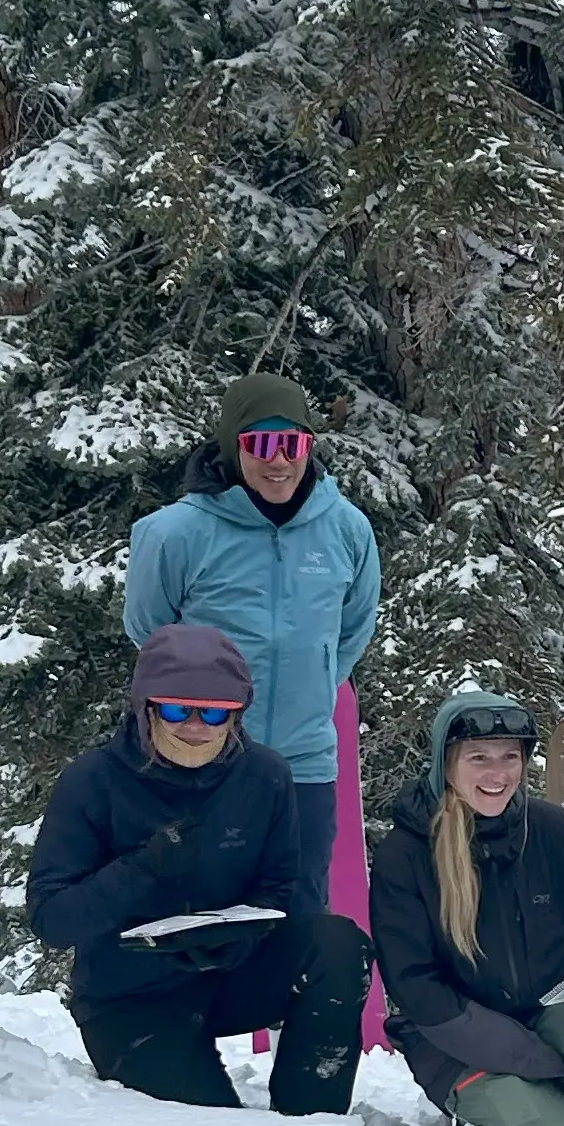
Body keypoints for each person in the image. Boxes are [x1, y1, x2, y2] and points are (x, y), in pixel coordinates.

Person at [25, 623, 368, 1115]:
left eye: (213, 713)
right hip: (130, 996)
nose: (194, 725)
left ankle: (311, 1122)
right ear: (145, 708)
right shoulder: (92, 782)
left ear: (236, 715)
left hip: (231, 974)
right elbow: (51, 919)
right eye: (175, 709)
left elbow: (278, 888)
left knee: (337, 945)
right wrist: (143, 868)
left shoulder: (265, 775)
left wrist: (235, 940)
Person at [122, 373, 379, 918]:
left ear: (310, 447)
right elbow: (150, 633)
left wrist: (315, 682)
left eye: (292, 443)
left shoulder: (348, 530)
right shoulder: (174, 533)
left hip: (304, 761)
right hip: (202, 753)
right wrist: (201, 707)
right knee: (198, 905)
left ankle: (290, 1004)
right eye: (259, 444)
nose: (278, 460)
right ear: (231, 446)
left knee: (300, 905)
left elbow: (353, 627)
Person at [366, 689, 564, 1126]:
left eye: (509, 757)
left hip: (551, 1012)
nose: (497, 774)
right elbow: (416, 986)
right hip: (452, 1038)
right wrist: (546, 1064)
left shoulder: (557, 831)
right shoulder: (407, 854)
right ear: (446, 761)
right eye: (478, 758)